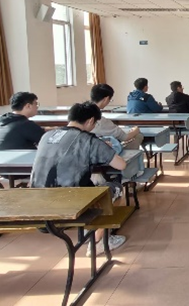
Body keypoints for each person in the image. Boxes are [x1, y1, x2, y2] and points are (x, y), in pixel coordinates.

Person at [31, 102, 127, 256]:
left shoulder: (48, 135)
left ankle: (93, 233)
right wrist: (103, 148)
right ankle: (99, 241)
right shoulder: (88, 140)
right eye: (95, 123)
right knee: (116, 188)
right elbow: (121, 165)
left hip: (37, 201)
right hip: (71, 203)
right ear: (90, 121)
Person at [90, 84, 143, 150]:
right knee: (137, 136)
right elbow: (125, 137)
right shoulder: (101, 121)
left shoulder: (82, 113)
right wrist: (136, 130)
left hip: (87, 148)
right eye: (110, 100)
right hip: (99, 151)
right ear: (106, 99)